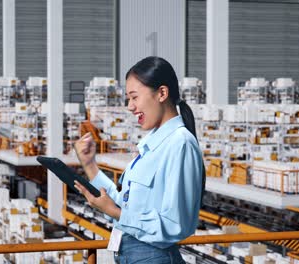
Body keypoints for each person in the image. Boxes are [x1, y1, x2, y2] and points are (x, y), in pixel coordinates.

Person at [74, 56, 204, 263]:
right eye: (128, 99)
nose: (129, 106)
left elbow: (176, 224)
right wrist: (90, 165)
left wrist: (115, 213)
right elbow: (127, 206)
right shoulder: (151, 143)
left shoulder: (180, 144)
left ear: (162, 93)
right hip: (129, 253)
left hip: (153, 256)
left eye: (134, 97)